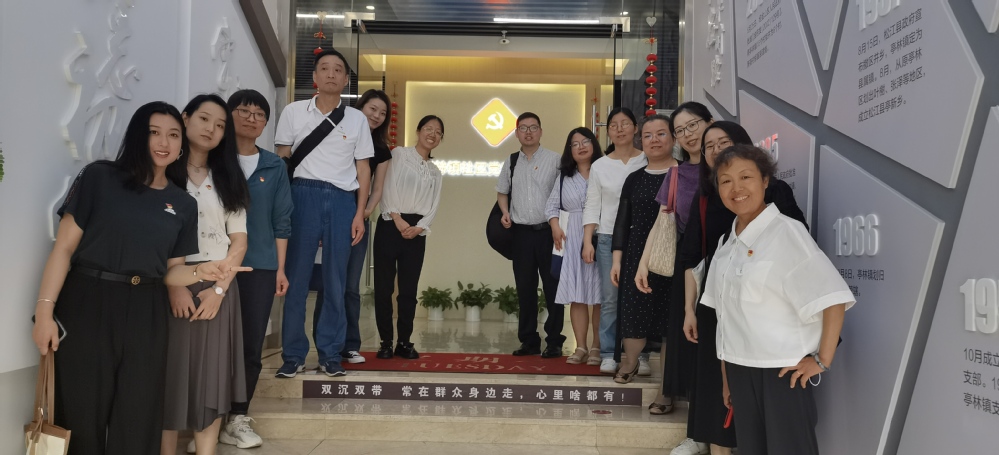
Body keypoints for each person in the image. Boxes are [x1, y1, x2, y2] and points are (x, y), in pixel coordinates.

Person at [31, 101, 235, 454]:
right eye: (154, 132)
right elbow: (63, 249)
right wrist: (44, 311)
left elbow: (172, 271)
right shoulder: (99, 177)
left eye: (173, 135)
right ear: (138, 135)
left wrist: (200, 271)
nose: (164, 142)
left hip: (147, 309)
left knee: (139, 412)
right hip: (89, 301)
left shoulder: (182, 203)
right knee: (82, 409)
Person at [700, 144, 851, 455]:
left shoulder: (787, 233)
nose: (736, 188)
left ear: (765, 181)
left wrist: (822, 360)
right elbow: (725, 320)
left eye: (746, 177)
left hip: (783, 374)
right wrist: (728, 380)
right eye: (726, 181)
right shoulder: (726, 244)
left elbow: (833, 298)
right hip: (740, 371)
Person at [672, 121, 807, 455]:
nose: (716, 150)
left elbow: (799, 246)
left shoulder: (775, 192)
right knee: (717, 394)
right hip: (717, 305)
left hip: (767, 311)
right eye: (709, 146)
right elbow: (691, 257)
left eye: (724, 141)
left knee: (763, 411)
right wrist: (690, 309)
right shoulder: (705, 198)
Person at [274, 48, 374, 378]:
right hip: (302, 195)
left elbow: (363, 169)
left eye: (338, 69)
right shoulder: (293, 112)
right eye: (325, 68)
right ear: (315, 77)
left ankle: (330, 354)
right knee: (296, 278)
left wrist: (359, 213)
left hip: (343, 199)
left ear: (346, 80)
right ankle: (293, 355)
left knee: (336, 281)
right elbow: (282, 160)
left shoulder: (357, 119)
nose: (331, 74)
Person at [160, 94, 252, 455]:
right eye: (203, 119)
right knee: (169, 376)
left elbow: (239, 241)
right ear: (185, 119)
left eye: (220, 124)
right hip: (171, 282)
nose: (211, 129)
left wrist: (218, 291)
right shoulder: (164, 171)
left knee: (211, 379)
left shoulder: (228, 177)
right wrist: (175, 286)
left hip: (218, 283)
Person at [222, 89, 293, 448]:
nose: (252, 119)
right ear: (229, 114)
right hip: (214, 265)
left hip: (260, 267)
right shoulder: (214, 161)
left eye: (259, 114)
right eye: (244, 111)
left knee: (250, 345)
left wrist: (280, 269)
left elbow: (282, 221)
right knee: (212, 345)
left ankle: (237, 416)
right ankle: (208, 419)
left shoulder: (274, 165)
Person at [636, 101, 712, 416]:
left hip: (723, 255)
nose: (688, 134)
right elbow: (662, 221)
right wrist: (644, 263)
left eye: (693, 125)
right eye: (680, 130)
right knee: (679, 328)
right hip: (686, 259)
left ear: (709, 123)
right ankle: (668, 390)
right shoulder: (677, 173)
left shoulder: (726, 167)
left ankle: (708, 398)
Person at [313, 89, 393, 364]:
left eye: (382, 113)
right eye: (373, 109)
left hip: (359, 221)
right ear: (360, 107)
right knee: (328, 283)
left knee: (350, 286)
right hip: (330, 216)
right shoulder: (339, 134)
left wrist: (363, 213)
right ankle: (325, 345)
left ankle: (350, 344)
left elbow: (377, 188)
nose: (377, 116)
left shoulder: (382, 150)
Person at [611, 114, 676, 384]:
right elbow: (622, 221)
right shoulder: (634, 178)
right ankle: (630, 362)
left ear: (673, 138)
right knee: (634, 312)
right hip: (636, 254)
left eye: (661, 134)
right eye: (648, 136)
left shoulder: (684, 174)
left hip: (675, 255)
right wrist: (617, 260)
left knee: (670, 318)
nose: (654, 140)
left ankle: (667, 383)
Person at [374, 115, 445, 359]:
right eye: (428, 128)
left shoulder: (435, 172)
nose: (432, 134)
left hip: (417, 232)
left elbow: (434, 205)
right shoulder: (399, 155)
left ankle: (404, 341)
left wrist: (420, 227)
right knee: (384, 288)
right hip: (389, 224)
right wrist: (397, 218)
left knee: (408, 290)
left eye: (438, 132)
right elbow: (386, 186)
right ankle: (385, 342)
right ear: (418, 131)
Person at [582, 107, 647, 373]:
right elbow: (592, 204)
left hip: (642, 237)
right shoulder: (600, 165)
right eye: (613, 125)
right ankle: (609, 352)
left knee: (641, 296)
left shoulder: (646, 159)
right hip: (608, 237)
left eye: (625, 123)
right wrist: (588, 240)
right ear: (607, 131)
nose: (619, 129)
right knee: (610, 298)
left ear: (635, 128)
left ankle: (641, 354)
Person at [496, 112, 565, 358]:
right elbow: (502, 191)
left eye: (533, 127)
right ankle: (529, 341)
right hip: (521, 235)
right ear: (516, 133)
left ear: (541, 131)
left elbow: (563, 194)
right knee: (525, 289)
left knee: (553, 288)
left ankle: (554, 341)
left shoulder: (555, 160)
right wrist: (505, 212)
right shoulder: (511, 161)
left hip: (548, 233)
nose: (528, 132)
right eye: (523, 128)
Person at [546, 127, 604, 364]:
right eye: (575, 144)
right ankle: (580, 347)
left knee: (600, 296)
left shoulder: (604, 169)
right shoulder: (564, 176)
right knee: (577, 295)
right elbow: (551, 206)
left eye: (585, 141)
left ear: (594, 144)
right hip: (571, 240)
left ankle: (597, 347)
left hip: (600, 236)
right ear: (569, 150)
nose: (580, 147)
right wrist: (555, 226)